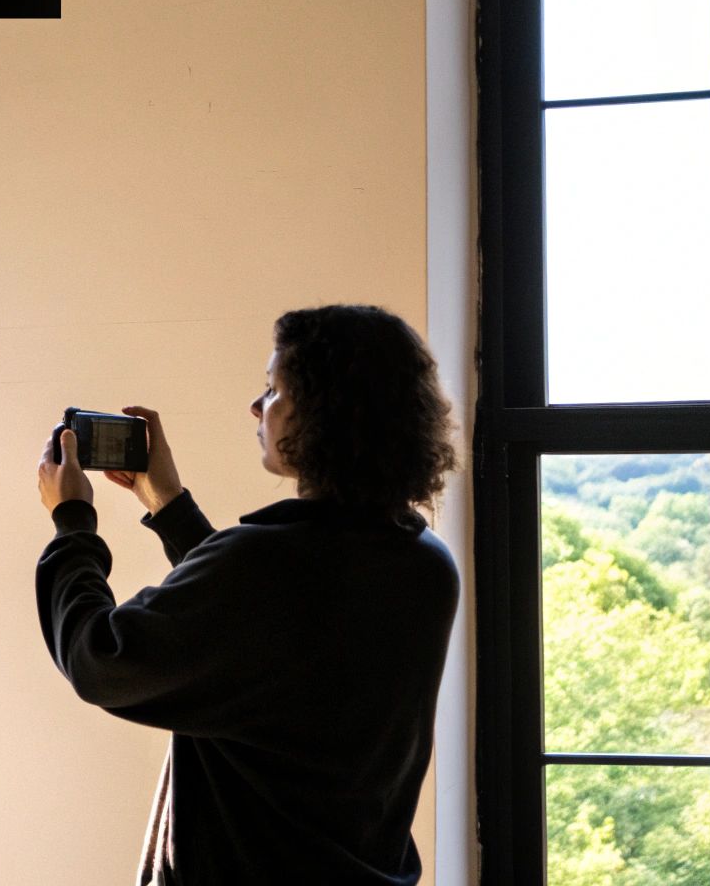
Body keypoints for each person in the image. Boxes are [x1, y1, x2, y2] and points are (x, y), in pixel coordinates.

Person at [34, 304, 461, 885]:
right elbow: (275, 628)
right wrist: (168, 505)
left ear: (323, 411)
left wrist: (72, 523)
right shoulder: (425, 562)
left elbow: (100, 660)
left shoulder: (267, 565)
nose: (258, 406)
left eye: (274, 388)